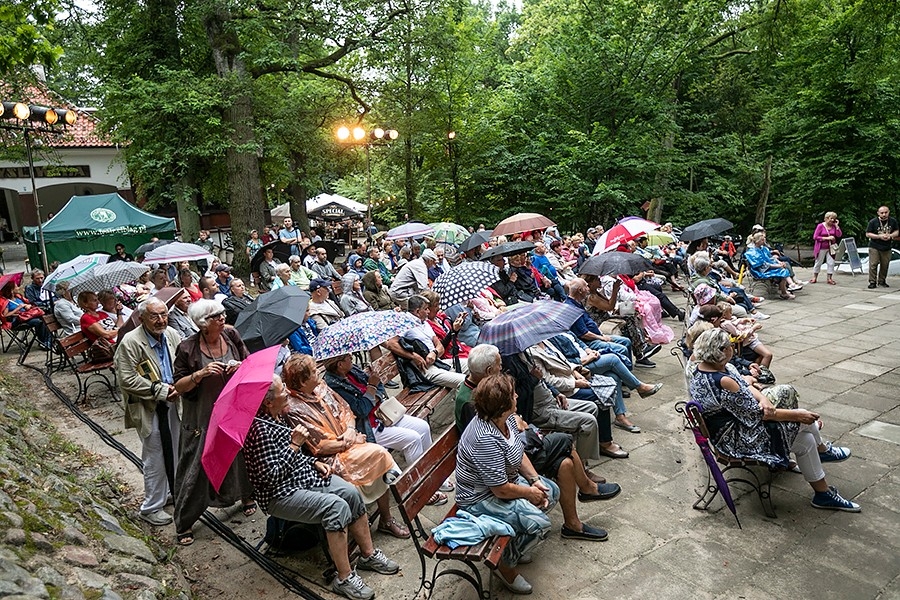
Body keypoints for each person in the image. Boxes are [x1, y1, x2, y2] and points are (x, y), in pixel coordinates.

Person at [246, 374, 400, 600]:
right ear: (268, 401)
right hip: (281, 494)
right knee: (335, 508)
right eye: (282, 391)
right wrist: (294, 445)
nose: (286, 393)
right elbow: (270, 478)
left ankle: (368, 554)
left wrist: (313, 461)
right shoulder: (259, 431)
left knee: (350, 493)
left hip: (303, 476)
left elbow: (296, 458)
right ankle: (344, 578)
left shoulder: (276, 417)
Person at [688, 329, 860, 512]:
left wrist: (764, 399)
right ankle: (823, 454)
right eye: (730, 346)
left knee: (805, 440)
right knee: (802, 421)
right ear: (722, 350)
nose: (733, 348)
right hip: (733, 438)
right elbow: (757, 415)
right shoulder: (722, 380)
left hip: (733, 425)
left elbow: (744, 386)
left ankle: (823, 492)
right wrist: (798, 416)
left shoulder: (708, 368)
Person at [281, 354, 411, 539]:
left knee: (378, 456)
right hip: (330, 458)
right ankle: (381, 520)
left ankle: (385, 519)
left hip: (350, 442)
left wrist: (350, 429)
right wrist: (348, 441)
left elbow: (345, 409)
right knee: (379, 454)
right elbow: (319, 446)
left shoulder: (321, 388)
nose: (319, 372)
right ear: (302, 382)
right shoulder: (294, 409)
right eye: (312, 372)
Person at [455, 373, 561, 595]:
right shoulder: (484, 437)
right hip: (480, 498)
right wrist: (529, 494)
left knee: (551, 492)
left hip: (505, 484)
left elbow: (518, 453)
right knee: (540, 524)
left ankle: (516, 545)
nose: (517, 395)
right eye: (513, 395)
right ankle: (505, 566)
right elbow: (500, 490)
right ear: (502, 406)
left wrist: (535, 480)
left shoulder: (507, 419)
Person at [172, 299, 255, 545]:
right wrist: (199, 375)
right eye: (216, 316)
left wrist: (239, 367)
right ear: (203, 323)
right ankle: (185, 520)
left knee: (239, 454)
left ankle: (246, 496)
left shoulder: (231, 335)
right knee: (198, 463)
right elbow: (178, 385)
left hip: (233, 408)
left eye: (221, 314)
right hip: (203, 414)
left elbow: (248, 363)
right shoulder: (188, 348)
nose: (222, 318)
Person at [324, 354, 450, 505]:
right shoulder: (333, 384)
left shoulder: (352, 370)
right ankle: (418, 490)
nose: (352, 358)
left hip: (385, 415)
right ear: (339, 364)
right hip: (368, 428)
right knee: (412, 439)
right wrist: (371, 388)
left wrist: (372, 391)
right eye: (347, 358)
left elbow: (380, 387)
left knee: (423, 427)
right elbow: (361, 410)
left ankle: (435, 478)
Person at [115, 297, 182, 526]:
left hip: (174, 403)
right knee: (154, 456)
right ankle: (151, 506)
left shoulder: (171, 334)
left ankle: (171, 491)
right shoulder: (131, 342)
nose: (161, 320)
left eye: (164, 314)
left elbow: (181, 363)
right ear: (141, 318)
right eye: (154, 316)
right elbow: (126, 379)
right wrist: (161, 390)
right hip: (148, 406)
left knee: (174, 449)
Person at [384, 295, 467, 389]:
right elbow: (391, 344)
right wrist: (414, 356)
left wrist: (434, 353)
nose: (428, 311)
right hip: (425, 370)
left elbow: (439, 346)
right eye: (426, 309)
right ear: (418, 311)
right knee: (465, 381)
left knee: (478, 365)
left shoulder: (425, 322)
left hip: (439, 362)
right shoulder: (404, 322)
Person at [1, 281, 52, 348]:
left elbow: (28, 303)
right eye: (16, 287)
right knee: (38, 322)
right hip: (17, 321)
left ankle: (48, 341)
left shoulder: (18, 297)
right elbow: (5, 315)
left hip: (27, 316)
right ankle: (44, 341)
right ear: (11, 290)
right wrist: (18, 309)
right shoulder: (7, 301)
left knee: (45, 318)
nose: (18, 288)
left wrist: (28, 306)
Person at [865, 205, 898, 289]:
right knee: (873, 264)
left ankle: (882, 281)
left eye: (886, 212)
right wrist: (879, 236)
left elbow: (897, 231)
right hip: (874, 246)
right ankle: (872, 281)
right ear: (878, 213)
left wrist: (890, 236)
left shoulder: (893, 221)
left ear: (889, 212)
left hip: (887, 246)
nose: (884, 214)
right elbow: (868, 233)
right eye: (882, 213)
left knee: (885, 265)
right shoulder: (873, 222)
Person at [811, 212, 842, 285]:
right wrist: (827, 238)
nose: (832, 220)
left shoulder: (834, 226)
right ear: (826, 218)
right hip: (821, 247)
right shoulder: (820, 226)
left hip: (831, 248)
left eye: (834, 219)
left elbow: (839, 235)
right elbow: (815, 237)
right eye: (831, 218)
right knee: (819, 262)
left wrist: (837, 226)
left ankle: (829, 278)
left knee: (831, 262)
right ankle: (815, 277)